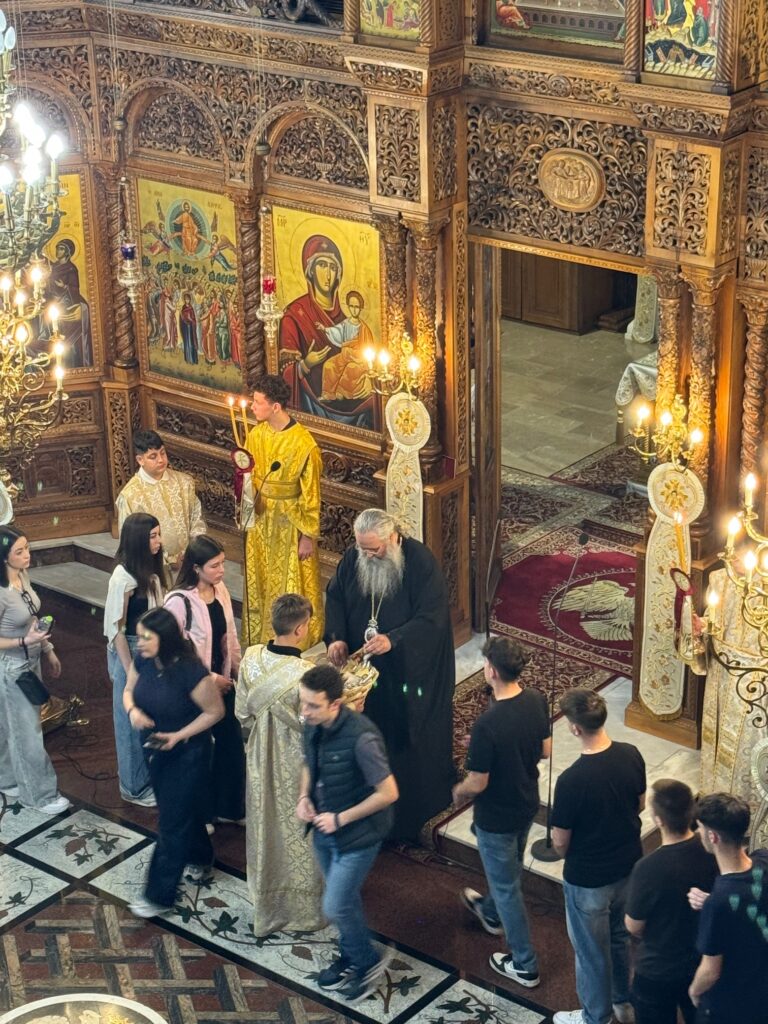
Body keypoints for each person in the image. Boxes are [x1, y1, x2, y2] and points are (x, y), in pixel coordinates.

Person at [325, 508, 455, 841]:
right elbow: (335, 596)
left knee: (403, 736)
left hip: (407, 669)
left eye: (374, 549)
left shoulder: (420, 563)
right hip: (365, 667)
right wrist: (336, 637)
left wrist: (393, 639)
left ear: (393, 537)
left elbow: (432, 617)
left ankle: (406, 812)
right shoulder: (354, 557)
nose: (367, 555)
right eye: (362, 548)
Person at [297, 664, 398, 1004]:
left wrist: (340, 819)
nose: (304, 711)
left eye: (313, 705)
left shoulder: (362, 738)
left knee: (335, 903)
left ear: (336, 704)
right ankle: (351, 952)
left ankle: (368, 963)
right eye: (303, 702)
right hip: (324, 829)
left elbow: (388, 793)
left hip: (358, 836)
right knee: (345, 901)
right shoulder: (313, 724)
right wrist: (304, 797)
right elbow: (309, 763)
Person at [453, 637, 550, 989]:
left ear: (492, 671)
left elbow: (478, 782)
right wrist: (487, 747)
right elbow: (545, 749)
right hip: (525, 801)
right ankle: (491, 914)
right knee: (509, 872)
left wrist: (459, 791)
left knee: (508, 887)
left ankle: (524, 963)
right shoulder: (536, 699)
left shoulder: (488, 724)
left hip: (496, 816)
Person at [550, 688, 646, 1024]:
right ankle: (623, 1002)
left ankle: (595, 1017)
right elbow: (640, 804)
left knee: (591, 952)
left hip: (589, 878)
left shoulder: (571, 780)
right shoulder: (631, 754)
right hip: (628, 866)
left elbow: (560, 842)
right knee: (619, 939)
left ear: (575, 728)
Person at [123, 607, 224, 918]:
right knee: (180, 810)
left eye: (146, 637)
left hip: (187, 753)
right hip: (155, 748)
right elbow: (128, 691)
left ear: (164, 638)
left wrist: (179, 735)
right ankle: (201, 856)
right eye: (139, 636)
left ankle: (158, 895)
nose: (139, 642)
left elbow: (215, 712)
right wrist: (133, 712)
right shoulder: (143, 659)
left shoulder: (190, 670)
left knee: (171, 821)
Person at [235, 593, 324, 936]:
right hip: (297, 765)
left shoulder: (251, 658)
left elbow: (242, 714)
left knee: (265, 825)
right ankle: (304, 912)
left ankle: (267, 904)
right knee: (299, 832)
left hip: (260, 756)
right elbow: (314, 725)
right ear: (301, 629)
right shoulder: (307, 675)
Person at [165, 535, 244, 833]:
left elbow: (230, 636)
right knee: (198, 753)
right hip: (195, 689)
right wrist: (210, 678)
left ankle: (230, 808)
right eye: (214, 566)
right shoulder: (178, 602)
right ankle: (201, 814)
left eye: (223, 563)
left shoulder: (220, 590)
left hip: (224, 682)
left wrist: (237, 671)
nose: (222, 570)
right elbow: (172, 652)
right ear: (196, 568)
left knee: (231, 746)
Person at [624, 779, 718, 1024]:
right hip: (700, 959)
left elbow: (633, 925)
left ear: (658, 820)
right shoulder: (710, 849)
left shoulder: (648, 868)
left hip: (658, 968)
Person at [242, 373, 323, 648]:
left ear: (275, 406)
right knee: (261, 579)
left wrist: (307, 536)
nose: (252, 406)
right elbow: (249, 477)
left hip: (290, 524)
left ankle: (293, 641)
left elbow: (312, 495)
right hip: (261, 520)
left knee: (291, 583)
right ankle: (260, 638)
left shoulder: (304, 444)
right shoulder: (256, 434)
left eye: (257, 402)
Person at [0, 526, 69, 815]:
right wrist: (22, 642)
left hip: (31, 659)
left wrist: (47, 649)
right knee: (27, 731)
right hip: (11, 666)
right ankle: (39, 795)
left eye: (27, 547)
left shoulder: (21, 576)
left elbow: (32, 617)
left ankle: (7, 779)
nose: (27, 555)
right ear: (4, 557)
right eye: (19, 551)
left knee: (11, 726)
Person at [279, 234, 378, 430]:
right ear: (310, 271)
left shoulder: (352, 321)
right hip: (309, 411)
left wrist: (368, 379)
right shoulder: (295, 315)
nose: (328, 274)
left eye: (333, 268)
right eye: (322, 265)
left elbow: (372, 361)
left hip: (356, 411)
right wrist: (305, 365)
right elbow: (283, 372)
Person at [104, 512, 167, 807]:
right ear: (138, 540)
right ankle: (132, 787)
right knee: (129, 721)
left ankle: (148, 776)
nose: (158, 541)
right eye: (152, 536)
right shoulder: (123, 578)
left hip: (151, 647)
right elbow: (116, 629)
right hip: (129, 649)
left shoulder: (151, 570)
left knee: (149, 717)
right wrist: (130, 671)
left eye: (158, 534)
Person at [688, 793, 768, 1024]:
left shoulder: (718, 903)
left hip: (731, 1004)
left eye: (700, 828)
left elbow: (710, 971)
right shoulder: (763, 859)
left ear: (712, 836)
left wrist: (694, 991)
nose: (698, 832)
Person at [115, 429, 206, 570]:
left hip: (189, 564)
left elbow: (197, 519)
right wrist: (169, 562)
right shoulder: (130, 496)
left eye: (162, 453)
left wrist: (192, 553)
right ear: (140, 460)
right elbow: (131, 542)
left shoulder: (185, 482)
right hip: (155, 569)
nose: (161, 460)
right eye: (153, 456)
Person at [318, 291, 375, 402]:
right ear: (348, 307)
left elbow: (369, 352)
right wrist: (324, 329)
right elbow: (336, 332)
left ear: (361, 308)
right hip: (344, 355)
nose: (354, 309)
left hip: (359, 359)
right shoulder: (345, 324)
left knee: (351, 368)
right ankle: (328, 394)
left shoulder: (364, 329)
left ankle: (342, 392)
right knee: (329, 365)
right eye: (352, 306)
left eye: (357, 307)